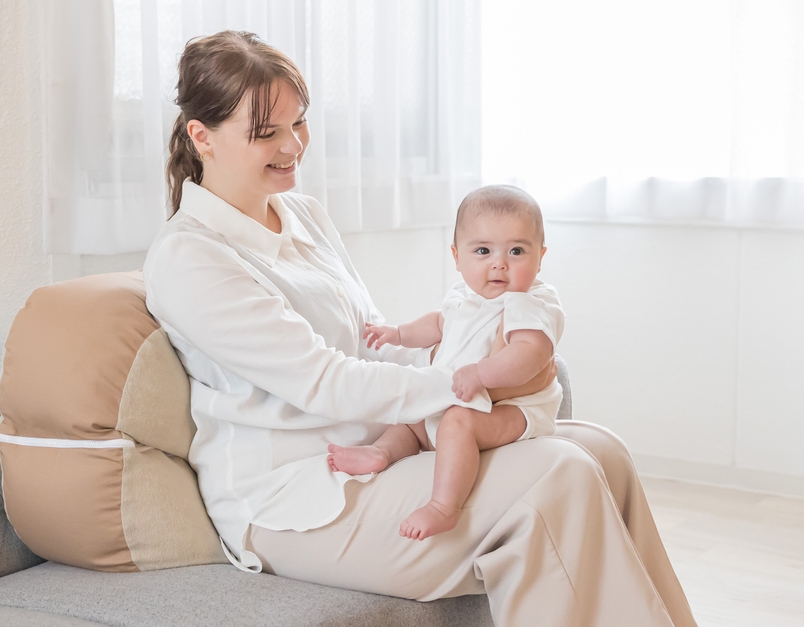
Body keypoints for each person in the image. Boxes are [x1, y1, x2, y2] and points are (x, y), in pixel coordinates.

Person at [143, 30, 698, 627]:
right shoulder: (190, 258)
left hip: (379, 452)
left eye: (299, 124)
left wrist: (477, 363)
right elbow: (325, 382)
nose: (292, 146)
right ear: (202, 137)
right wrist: (470, 382)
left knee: (601, 450)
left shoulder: (302, 214)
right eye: (267, 133)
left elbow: (367, 336)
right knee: (560, 475)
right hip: (294, 498)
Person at [327, 185, 565, 541]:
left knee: (456, 422)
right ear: (457, 257)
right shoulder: (463, 296)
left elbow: (530, 355)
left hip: (515, 411)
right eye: (483, 251)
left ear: (541, 256)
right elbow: (439, 324)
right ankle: (380, 453)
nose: (499, 263)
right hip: (464, 394)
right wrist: (399, 333)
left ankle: (443, 506)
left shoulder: (528, 302)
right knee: (414, 420)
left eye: (516, 251)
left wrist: (481, 373)